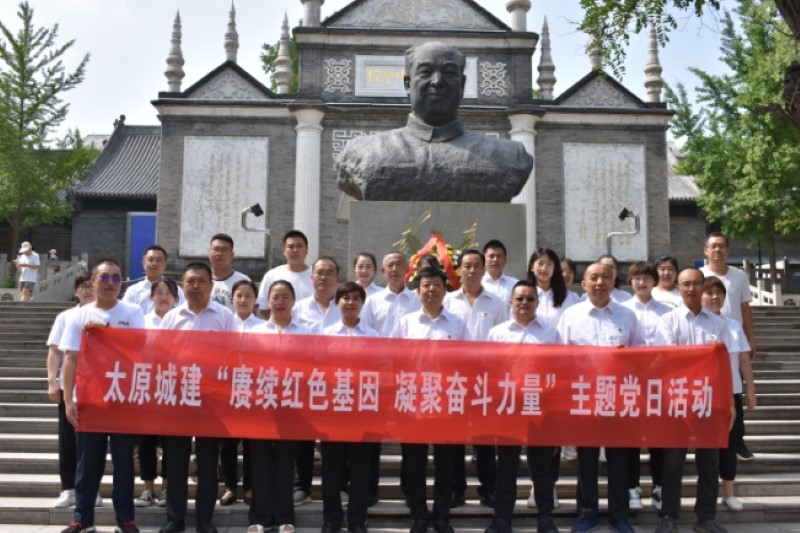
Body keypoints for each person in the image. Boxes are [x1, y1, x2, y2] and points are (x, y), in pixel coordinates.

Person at [336, 41, 533, 202]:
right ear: (407, 84)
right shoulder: (363, 153)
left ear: (462, 84)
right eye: (425, 71)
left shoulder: (508, 156)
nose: (437, 81)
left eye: (449, 72)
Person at [59, 259, 145, 533]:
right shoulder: (78, 316)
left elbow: (139, 347)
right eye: (104, 278)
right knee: (87, 464)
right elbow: (70, 359)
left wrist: (107, 333)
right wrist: (68, 399)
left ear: (122, 282)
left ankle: (125, 519)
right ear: (93, 282)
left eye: (116, 278)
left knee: (123, 463)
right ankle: (82, 519)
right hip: (89, 399)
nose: (110, 283)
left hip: (122, 398)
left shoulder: (133, 311)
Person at [556, 262, 642, 533]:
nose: (599, 283)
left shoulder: (627, 315)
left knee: (618, 460)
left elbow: (642, 355)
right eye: (593, 278)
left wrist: (627, 357)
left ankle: (619, 514)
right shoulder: (571, 316)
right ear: (583, 284)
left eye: (605, 277)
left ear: (614, 282)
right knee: (587, 459)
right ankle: (587, 513)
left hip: (619, 397)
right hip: (584, 397)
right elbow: (560, 358)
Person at [654, 267, 735, 533]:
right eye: (685, 284)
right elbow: (668, 360)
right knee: (672, 463)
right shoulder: (668, 321)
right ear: (678, 288)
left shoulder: (719, 324)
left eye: (696, 284)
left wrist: (730, 402)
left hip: (710, 403)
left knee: (710, 464)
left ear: (704, 287)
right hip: (677, 402)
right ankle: (669, 516)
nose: (691, 289)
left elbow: (725, 367)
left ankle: (706, 518)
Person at [159, 262, 237, 533]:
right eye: (190, 281)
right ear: (183, 285)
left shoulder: (224, 316)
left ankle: (205, 519)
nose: (195, 286)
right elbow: (161, 357)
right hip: (178, 398)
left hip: (211, 400)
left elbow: (234, 354)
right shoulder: (172, 318)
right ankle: (175, 520)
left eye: (201, 281)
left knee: (208, 463)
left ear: (211, 286)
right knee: (176, 464)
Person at [393, 267, 470, 533]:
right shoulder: (406, 322)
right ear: (418, 290)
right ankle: (418, 514)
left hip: (447, 402)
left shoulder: (457, 323)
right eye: (426, 285)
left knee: (446, 464)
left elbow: (467, 360)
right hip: (413, 401)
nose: (431, 289)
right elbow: (394, 360)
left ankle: (441, 515)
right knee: (414, 463)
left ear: (444, 289)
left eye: (437, 284)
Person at [484, 280, 561, 533]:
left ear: (537, 303)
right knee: (506, 466)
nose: (524, 303)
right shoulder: (497, 333)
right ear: (510, 302)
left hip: (540, 408)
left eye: (530, 299)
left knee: (542, 468)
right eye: (519, 298)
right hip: (508, 408)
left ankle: (545, 518)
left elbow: (560, 370)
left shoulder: (550, 333)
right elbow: (489, 371)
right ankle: (502, 518)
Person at [444, 249, 506, 509]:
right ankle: (456, 489)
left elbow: (503, 338)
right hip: (454, 380)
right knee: (455, 439)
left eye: (476, 265)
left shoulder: (496, 302)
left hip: (486, 379)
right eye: (467, 266)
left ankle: (489, 489)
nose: (471, 270)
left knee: (485, 439)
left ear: (483, 269)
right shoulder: (448, 300)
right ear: (459, 269)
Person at [247, 280, 308, 533]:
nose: (280, 302)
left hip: (292, 407)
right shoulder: (255, 332)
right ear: (267, 302)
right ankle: (259, 518)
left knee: (285, 464)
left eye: (285, 297)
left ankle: (285, 517)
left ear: (293, 302)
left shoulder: (306, 333)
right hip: (260, 407)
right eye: (275, 297)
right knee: (259, 463)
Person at [361, 251, 421, 504]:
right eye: (390, 265)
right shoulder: (372, 301)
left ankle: (410, 489)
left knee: (411, 437)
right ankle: (369, 490)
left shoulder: (417, 299)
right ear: (383, 272)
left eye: (399, 264)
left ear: (407, 269)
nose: (395, 269)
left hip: (409, 379)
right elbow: (365, 336)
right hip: (379, 378)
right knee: (373, 437)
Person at [319, 282, 377, 533]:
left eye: (355, 298)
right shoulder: (326, 335)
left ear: (362, 303)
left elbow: (379, 372)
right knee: (331, 470)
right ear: (337, 303)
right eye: (345, 298)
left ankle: (356, 520)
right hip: (333, 412)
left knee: (360, 471)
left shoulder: (374, 337)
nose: (350, 303)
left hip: (363, 413)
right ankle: (331, 520)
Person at [526, 248, 579, 502]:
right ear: (532, 267)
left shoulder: (569, 298)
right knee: (533, 431)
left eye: (549, 264)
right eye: (540, 263)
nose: (544, 268)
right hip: (528, 374)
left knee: (553, 432)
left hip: (558, 374)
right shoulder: (524, 294)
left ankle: (550, 485)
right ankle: (536, 485)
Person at [46, 273, 104, 509]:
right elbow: (54, 351)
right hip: (70, 387)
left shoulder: (104, 315)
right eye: (83, 287)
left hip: (98, 387)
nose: (88, 290)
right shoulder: (65, 316)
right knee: (68, 441)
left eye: (91, 286)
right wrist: (52, 381)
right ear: (75, 292)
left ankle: (93, 489)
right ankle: (68, 489)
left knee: (94, 444)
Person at [701, 276, 756, 513]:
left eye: (719, 293)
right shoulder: (696, 324)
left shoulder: (733, 325)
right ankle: (705, 493)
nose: (715, 297)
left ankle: (729, 492)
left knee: (729, 443)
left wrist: (750, 389)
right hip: (701, 394)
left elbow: (743, 359)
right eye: (709, 292)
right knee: (704, 446)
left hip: (730, 393)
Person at [700, 232, 756, 461]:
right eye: (713, 246)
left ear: (728, 250)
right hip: (706, 340)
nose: (717, 250)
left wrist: (751, 339)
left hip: (734, 340)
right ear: (705, 250)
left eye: (721, 246)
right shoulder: (700, 275)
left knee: (735, 393)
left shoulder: (739, 276)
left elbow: (745, 309)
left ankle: (738, 442)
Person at [621, 261, 671, 512]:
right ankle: (632, 488)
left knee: (658, 437)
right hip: (631, 383)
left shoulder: (667, 311)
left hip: (659, 382)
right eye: (637, 278)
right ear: (630, 281)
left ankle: (659, 487)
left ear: (654, 280)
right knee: (630, 438)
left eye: (646, 278)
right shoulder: (622, 310)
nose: (641, 282)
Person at [292, 256, 342, 507]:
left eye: (329, 272)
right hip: (306, 381)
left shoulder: (345, 306)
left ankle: (339, 486)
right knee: (304, 437)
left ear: (337, 278)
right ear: (311, 277)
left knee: (336, 437)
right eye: (319, 272)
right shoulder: (298, 308)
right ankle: (302, 486)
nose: (323, 277)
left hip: (338, 382)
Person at [136, 277, 179, 509]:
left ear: (176, 298)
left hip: (174, 388)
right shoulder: (141, 322)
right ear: (151, 297)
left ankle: (166, 488)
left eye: (168, 293)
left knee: (172, 441)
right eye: (159, 293)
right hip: (148, 387)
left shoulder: (182, 322)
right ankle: (147, 488)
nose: (163, 297)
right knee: (146, 442)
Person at [257, 230, 314, 318]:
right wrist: (281, 322)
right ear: (284, 250)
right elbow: (263, 307)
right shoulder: (272, 275)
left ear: (306, 250)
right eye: (291, 247)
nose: (295, 250)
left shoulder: (317, 275)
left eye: (299, 246)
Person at [122, 245, 185, 313]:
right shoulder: (133, 291)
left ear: (165, 265)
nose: (154, 264)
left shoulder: (176, 290)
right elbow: (124, 314)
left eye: (158, 260)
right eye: (151, 260)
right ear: (143, 263)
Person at [208, 233, 251, 311]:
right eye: (216, 249)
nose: (219, 254)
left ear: (232, 255)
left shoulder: (243, 281)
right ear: (209, 253)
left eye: (224, 250)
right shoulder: (200, 280)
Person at [481, 239, 518, 307]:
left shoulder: (515, 284)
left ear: (505, 260)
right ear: (483, 260)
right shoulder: (478, 284)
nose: (495, 259)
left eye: (499, 256)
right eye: (491, 256)